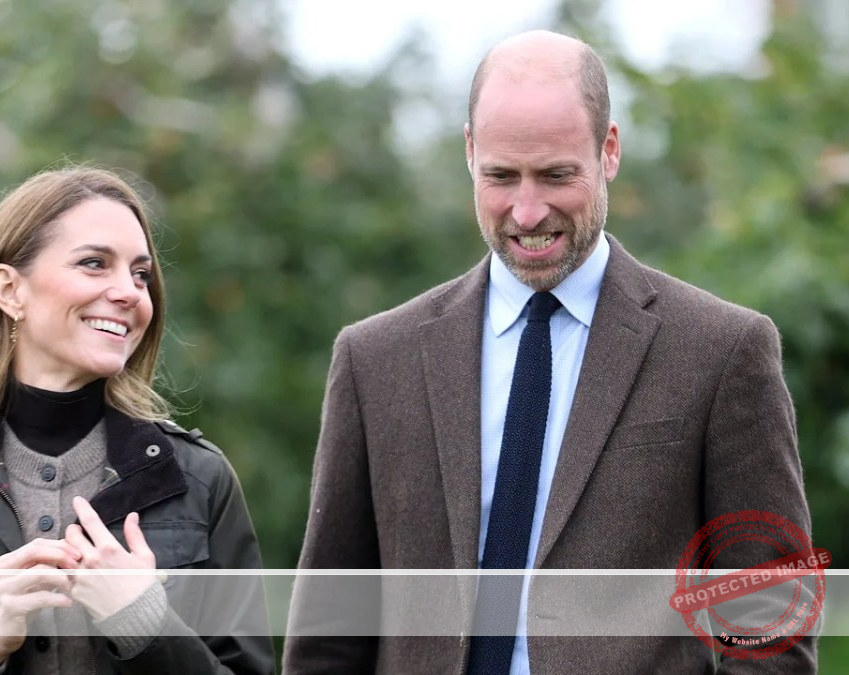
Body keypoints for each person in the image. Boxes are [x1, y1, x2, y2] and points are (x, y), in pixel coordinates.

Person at [283, 30, 814, 674]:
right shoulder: (374, 360)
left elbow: (768, 628)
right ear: (469, 152)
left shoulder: (722, 351)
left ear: (609, 150)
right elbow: (329, 636)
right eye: (501, 176)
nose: (528, 212)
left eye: (557, 175)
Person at [0, 167, 273, 675]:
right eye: (94, 264)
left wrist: (146, 626)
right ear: (10, 290)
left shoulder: (200, 480)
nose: (130, 292)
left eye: (140, 274)